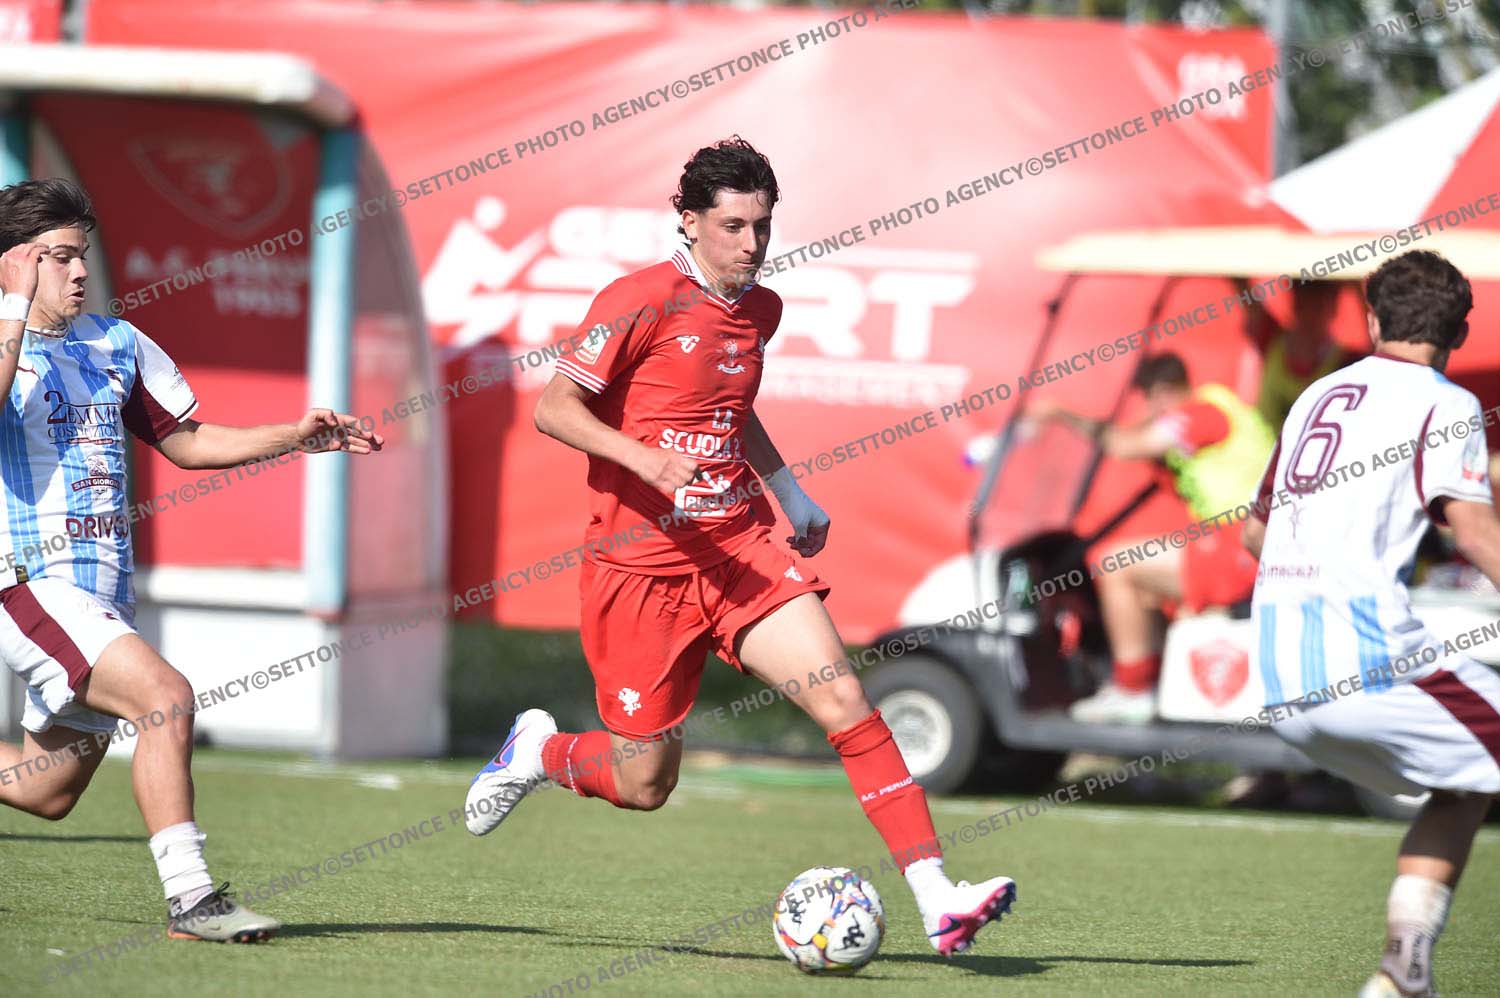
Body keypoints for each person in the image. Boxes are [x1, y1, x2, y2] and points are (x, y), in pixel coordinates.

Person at [463, 137, 1014, 957]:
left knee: (845, 701)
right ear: (688, 222)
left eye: (762, 226)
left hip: (737, 550)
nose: (751, 244)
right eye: (732, 227)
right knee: (645, 783)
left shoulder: (762, 309)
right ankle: (540, 751)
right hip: (638, 572)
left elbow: (731, 405)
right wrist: (646, 460)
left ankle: (938, 898)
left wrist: (789, 492)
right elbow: (555, 410)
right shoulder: (637, 299)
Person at [0, 179, 384, 941]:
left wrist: (293, 436)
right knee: (165, 699)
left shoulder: (116, 342)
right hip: (29, 584)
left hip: (101, 594)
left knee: (46, 791)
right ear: (17, 260)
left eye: (84, 255)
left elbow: (187, 441)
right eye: (61, 257)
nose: (81, 272)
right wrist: (12, 303)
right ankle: (193, 901)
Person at [1245, 249, 1498, 998]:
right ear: (1459, 332)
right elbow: (1476, 534)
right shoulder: (1444, 401)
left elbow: (1255, 534)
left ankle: (1403, 975)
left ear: (1372, 320)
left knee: (1467, 782)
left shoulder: (1316, 395)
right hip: (1366, 662)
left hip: (1282, 680)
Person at [1028, 353, 1274, 723]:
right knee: (1143, 588)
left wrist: (1061, 414)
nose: (1150, 411)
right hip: (1245, 540)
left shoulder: (1201, 414)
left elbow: (1124, 445)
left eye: (1150, 401)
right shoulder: (1219, 406)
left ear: (1162, 393)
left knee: (1114, 565)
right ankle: (1155, 682)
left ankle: (1133, 690)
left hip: (1240, 546)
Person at [1233, 276, 1351, 430]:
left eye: (1319, 304)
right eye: (1305, 302)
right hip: (1268, 443)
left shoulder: (1348, 361)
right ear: (1295, 303)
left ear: (1333, 307)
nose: (1311, 313)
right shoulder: (1269, 336)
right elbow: (1241, 286)